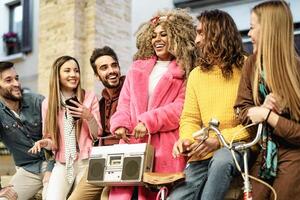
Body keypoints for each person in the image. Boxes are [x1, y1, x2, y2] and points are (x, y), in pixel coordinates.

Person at [109, 9, 197, 200]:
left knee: (156, 194)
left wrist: (148, 121)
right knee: (126, 194)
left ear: (177, 36)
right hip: (132, 145)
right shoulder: (136, 69)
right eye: (154, 35)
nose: (157, 39)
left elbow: (180, 109)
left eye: (163, 34)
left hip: (163, 149)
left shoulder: (186, 71)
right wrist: (121, 124)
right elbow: (124, 103)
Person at [169, 10, 251, 200]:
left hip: (236, 146)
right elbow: (190, 118)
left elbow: (253, 123)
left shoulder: (247, 68)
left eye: (201, 33)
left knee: (222, 161)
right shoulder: (197, 75)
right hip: (204, 151)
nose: (196, 40)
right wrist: (187, 140)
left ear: (217, 33)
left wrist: (219, 140)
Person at [234, 1, 300, 199]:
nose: (250, 34)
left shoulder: (297, 70)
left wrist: (267, 115)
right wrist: (261, 108)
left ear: (270, 30)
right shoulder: (251, 65)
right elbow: (241, 110)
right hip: (264, 154)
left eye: (253, 28)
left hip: (294, 156)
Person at [29, 56, 102, 199]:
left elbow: (97, 135)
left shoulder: (89, 97)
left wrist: (88, 116)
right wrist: (45, 143)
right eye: (67, 70)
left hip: (86, 161)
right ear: (57, 75)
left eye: (76, 70)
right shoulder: (48, 104)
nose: (73, 74)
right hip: (63, 162)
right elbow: (52, 141)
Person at [68, 46, 125, 200]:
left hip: (125, 157)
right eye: (104, 68)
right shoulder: (100, 102)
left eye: (114, 65)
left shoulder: (130, 90)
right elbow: (96, 135)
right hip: (101, 159)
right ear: (97, 75)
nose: (111, 71)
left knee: (106, 197)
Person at [0, 61, 53, 200]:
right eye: (8, 80)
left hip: (54, 165)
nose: (16, 84)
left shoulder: (38, 101)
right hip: (28, 170)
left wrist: (50, 169)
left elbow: (57, 137)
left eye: (16, 78)